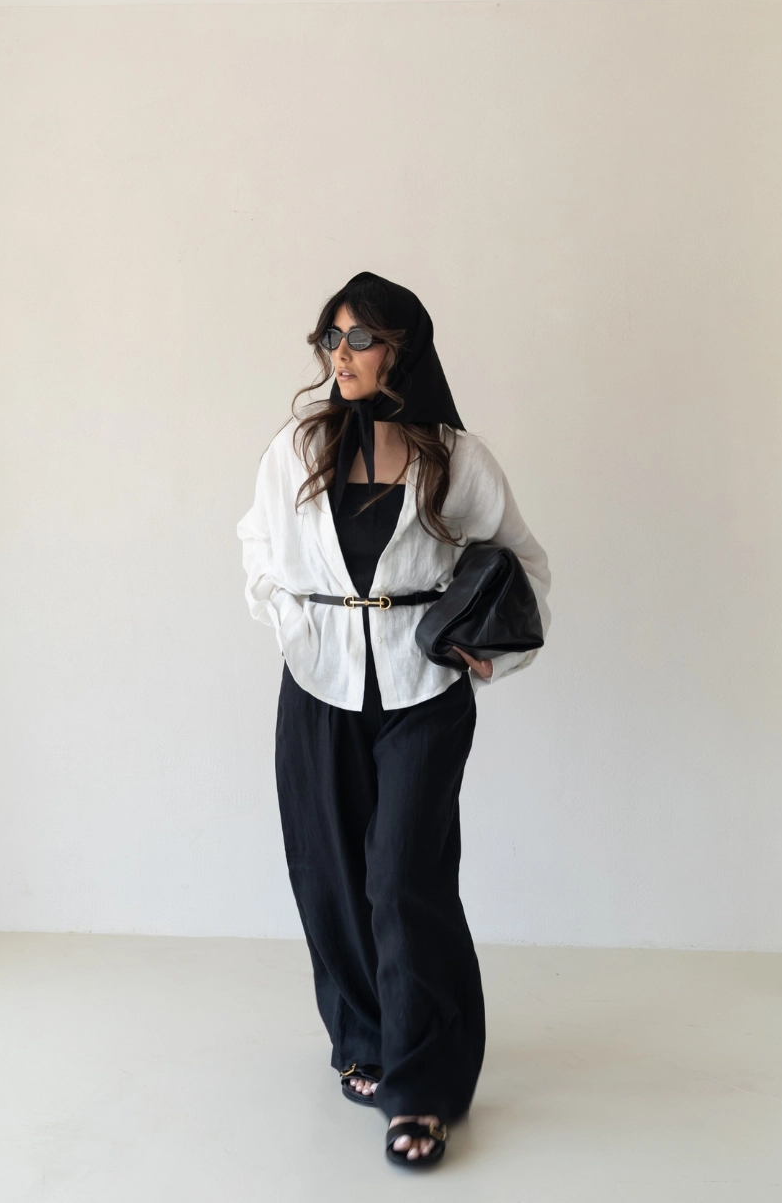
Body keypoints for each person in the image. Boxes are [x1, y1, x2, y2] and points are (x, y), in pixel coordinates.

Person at [236, 271, 550, 1169]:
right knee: (330, 875)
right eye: (331, 338)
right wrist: (297, 622)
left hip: (423, 691)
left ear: (402, 349)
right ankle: (365, 1043)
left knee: (405, 879)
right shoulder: (298, 448)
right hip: (318, 686)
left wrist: (492, 649)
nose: (342, 355)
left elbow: (522, 563)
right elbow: (257, 547)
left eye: (361, 338)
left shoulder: (456, 457)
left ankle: (422, 1090)